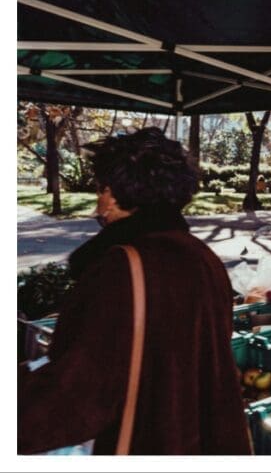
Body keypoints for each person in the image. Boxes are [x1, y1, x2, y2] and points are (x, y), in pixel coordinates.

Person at [18, 128, 251, 454]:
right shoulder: (203, 258)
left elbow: (79, 397)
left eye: (100, 190)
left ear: (112, 195)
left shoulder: (120, 269)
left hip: (146, 440)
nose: (98, 202)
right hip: (198, 437)